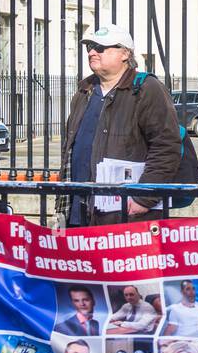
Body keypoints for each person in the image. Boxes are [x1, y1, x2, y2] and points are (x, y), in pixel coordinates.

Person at [60, 22, 181, 227]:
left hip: (124, 214)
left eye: (101, 47)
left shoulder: (146, 89)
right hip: (78, 210)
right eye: (89, 47)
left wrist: (144, 198)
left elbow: (166, 147)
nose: (92, 52)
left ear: (125, 54)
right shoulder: (84, 91)